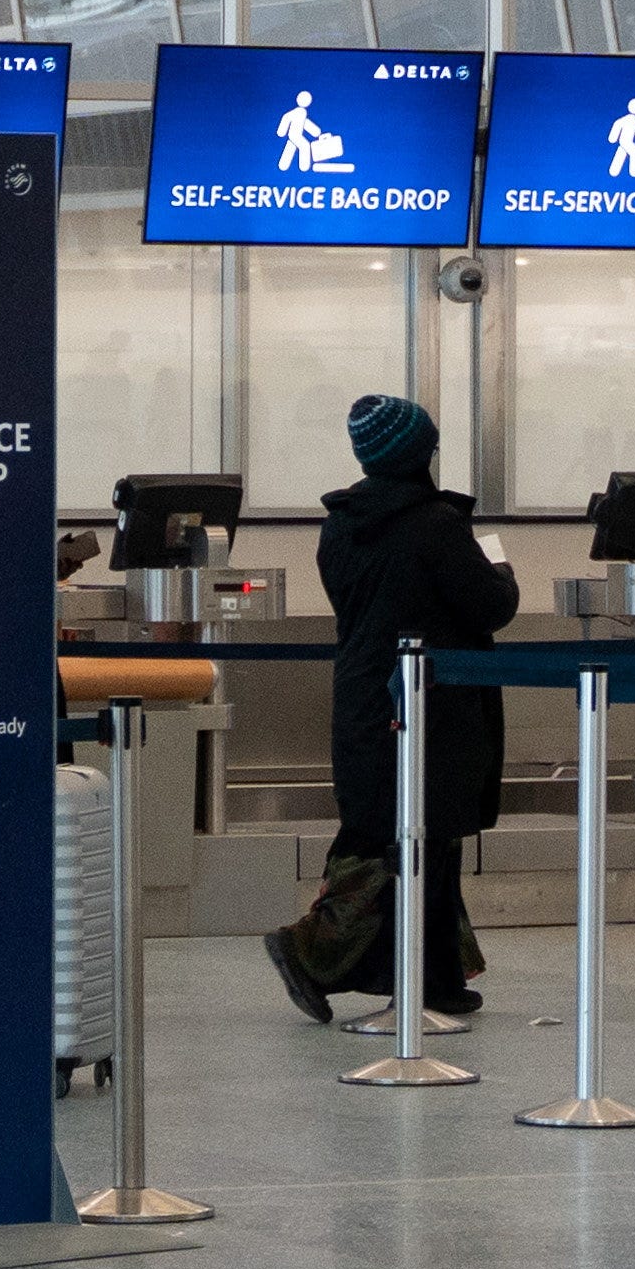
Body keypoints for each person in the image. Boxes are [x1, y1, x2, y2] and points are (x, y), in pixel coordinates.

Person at [280, 393, 515, 1028]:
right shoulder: (434, 525)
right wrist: (501, 567)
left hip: (363, 693)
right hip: (425, 701)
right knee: (407, 836)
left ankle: (437, 976)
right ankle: (311, 951)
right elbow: (490, 606)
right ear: (420, 455)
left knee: (404, 827)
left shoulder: (340, 524)